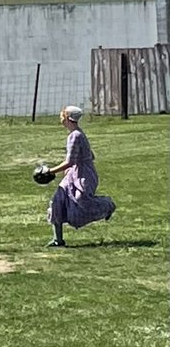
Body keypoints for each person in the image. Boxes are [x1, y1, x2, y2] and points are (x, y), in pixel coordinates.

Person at [42, 106, 116, 247]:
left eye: (62, 116)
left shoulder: (75, 135)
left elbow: (70, 161)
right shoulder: (77, 134)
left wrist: (51, 171)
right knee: (58, 201)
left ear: (68, 118)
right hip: (72, 174)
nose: (60, 119)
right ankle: (58, 240)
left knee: (81, 201)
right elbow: (88, 155)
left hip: (83, 175)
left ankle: (107, 205)